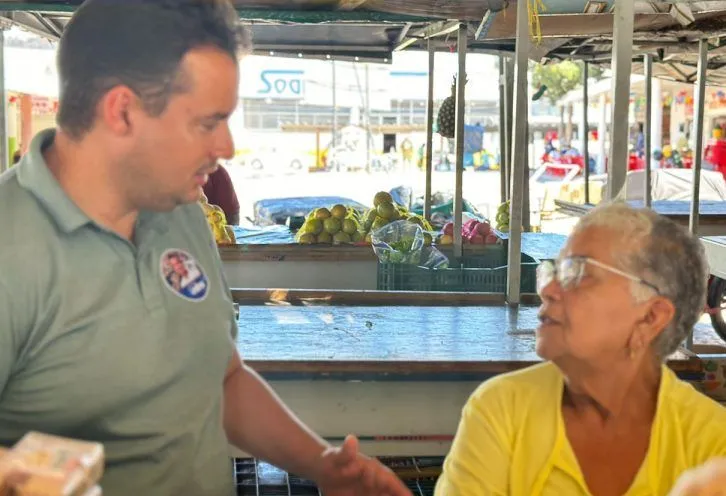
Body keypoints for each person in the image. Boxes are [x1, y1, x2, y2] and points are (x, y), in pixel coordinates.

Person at [0, 1, 410, 496]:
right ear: (122, 111)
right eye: (206, 122)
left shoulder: (183, 215)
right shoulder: (11, 244)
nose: (227, 146)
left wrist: (323, 463)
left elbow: (222, 378)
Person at [435, 202, 726, 496]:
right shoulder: (502, 410)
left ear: (651, 317)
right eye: (554, 271)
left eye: (577, 273)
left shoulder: (713, 443)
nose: (548, 290)